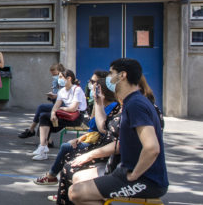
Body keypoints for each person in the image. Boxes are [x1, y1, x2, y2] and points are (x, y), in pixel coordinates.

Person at [69, 59, 167, 205]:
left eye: (111, 73)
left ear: (122, 75)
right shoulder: (132, 101)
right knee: (78, 177)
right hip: (124, 171)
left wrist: (135, 174)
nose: (108, 78)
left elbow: (152, 148)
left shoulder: (136, 105)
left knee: (75, 193)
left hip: (147, 180)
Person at [32, 71, 118, 187]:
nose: (90, 85)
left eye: (93, 82)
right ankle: (43, 146)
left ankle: (53, 177)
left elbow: (102, 130)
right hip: (92, 139)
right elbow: (93, 130)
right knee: (44, 116)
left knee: (67, 150)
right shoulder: (99, 105)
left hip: (96, 141)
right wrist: (80, 138)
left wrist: (81, 140)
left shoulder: (110, 107)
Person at [32, 69, 87, 161]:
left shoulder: (77, 90)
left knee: (45, 119)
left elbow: (73, 108)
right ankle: (43, 148)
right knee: (45, 117)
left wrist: (61, 109)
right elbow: (56, 106)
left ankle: (43, 147)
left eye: (61, 77)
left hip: (76, 118)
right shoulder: (61, 91)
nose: (59, 79)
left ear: (69, 78)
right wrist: (53, 113)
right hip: (66, 116)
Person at [19, 63, 66, 139]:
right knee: (43, 113)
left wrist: (55, 95)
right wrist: (52, 96)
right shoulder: (58, 80)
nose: (55, 77)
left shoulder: (63, 81)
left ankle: (32, 130)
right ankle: (47, 140)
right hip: (58, 104)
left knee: (42, 109)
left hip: (62, 106)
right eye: (53, 75)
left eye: (56, 75)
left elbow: (64, 95)